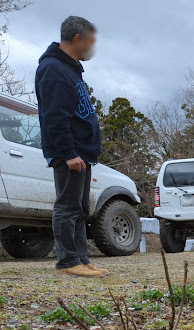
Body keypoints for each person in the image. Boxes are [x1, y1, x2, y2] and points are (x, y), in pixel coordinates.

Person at [35, 16, 107, 278]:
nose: (92, 47)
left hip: (82, 152)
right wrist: (69, 153)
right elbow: (54, 117)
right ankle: (67, 261)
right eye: (91, 41)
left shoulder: (71, 69)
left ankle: (81, 258)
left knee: (79, 209)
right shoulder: (53, 69)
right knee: (66, 206)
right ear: (78, 39)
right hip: (70, 153)